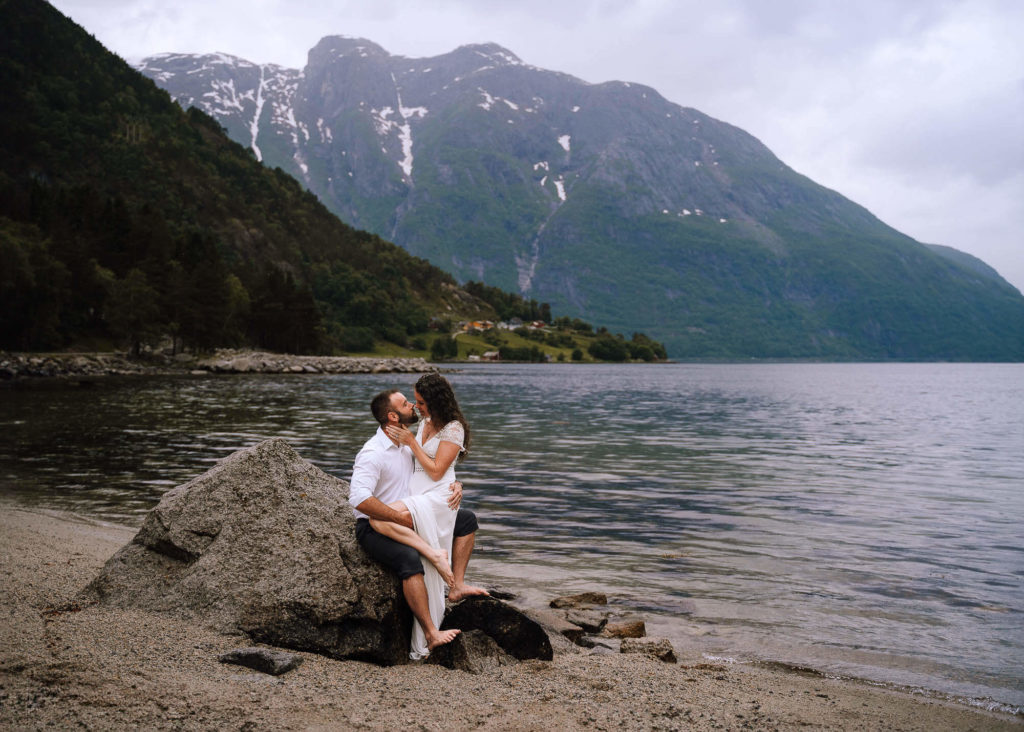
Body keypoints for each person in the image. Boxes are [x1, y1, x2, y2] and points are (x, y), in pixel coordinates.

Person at [349, 384, 487, 660]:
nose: (413, 407)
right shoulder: (373, 452)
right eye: (405, 404)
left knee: (467, 520)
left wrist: (455, 483)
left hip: (413, 514)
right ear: (392, 417)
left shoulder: (406, 440)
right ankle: (430, 632)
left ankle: (457, 586)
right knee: (409, 561)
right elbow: (359, 499)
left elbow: (434, 468)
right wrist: (396, 516)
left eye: (415, 402)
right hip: (377, 526)